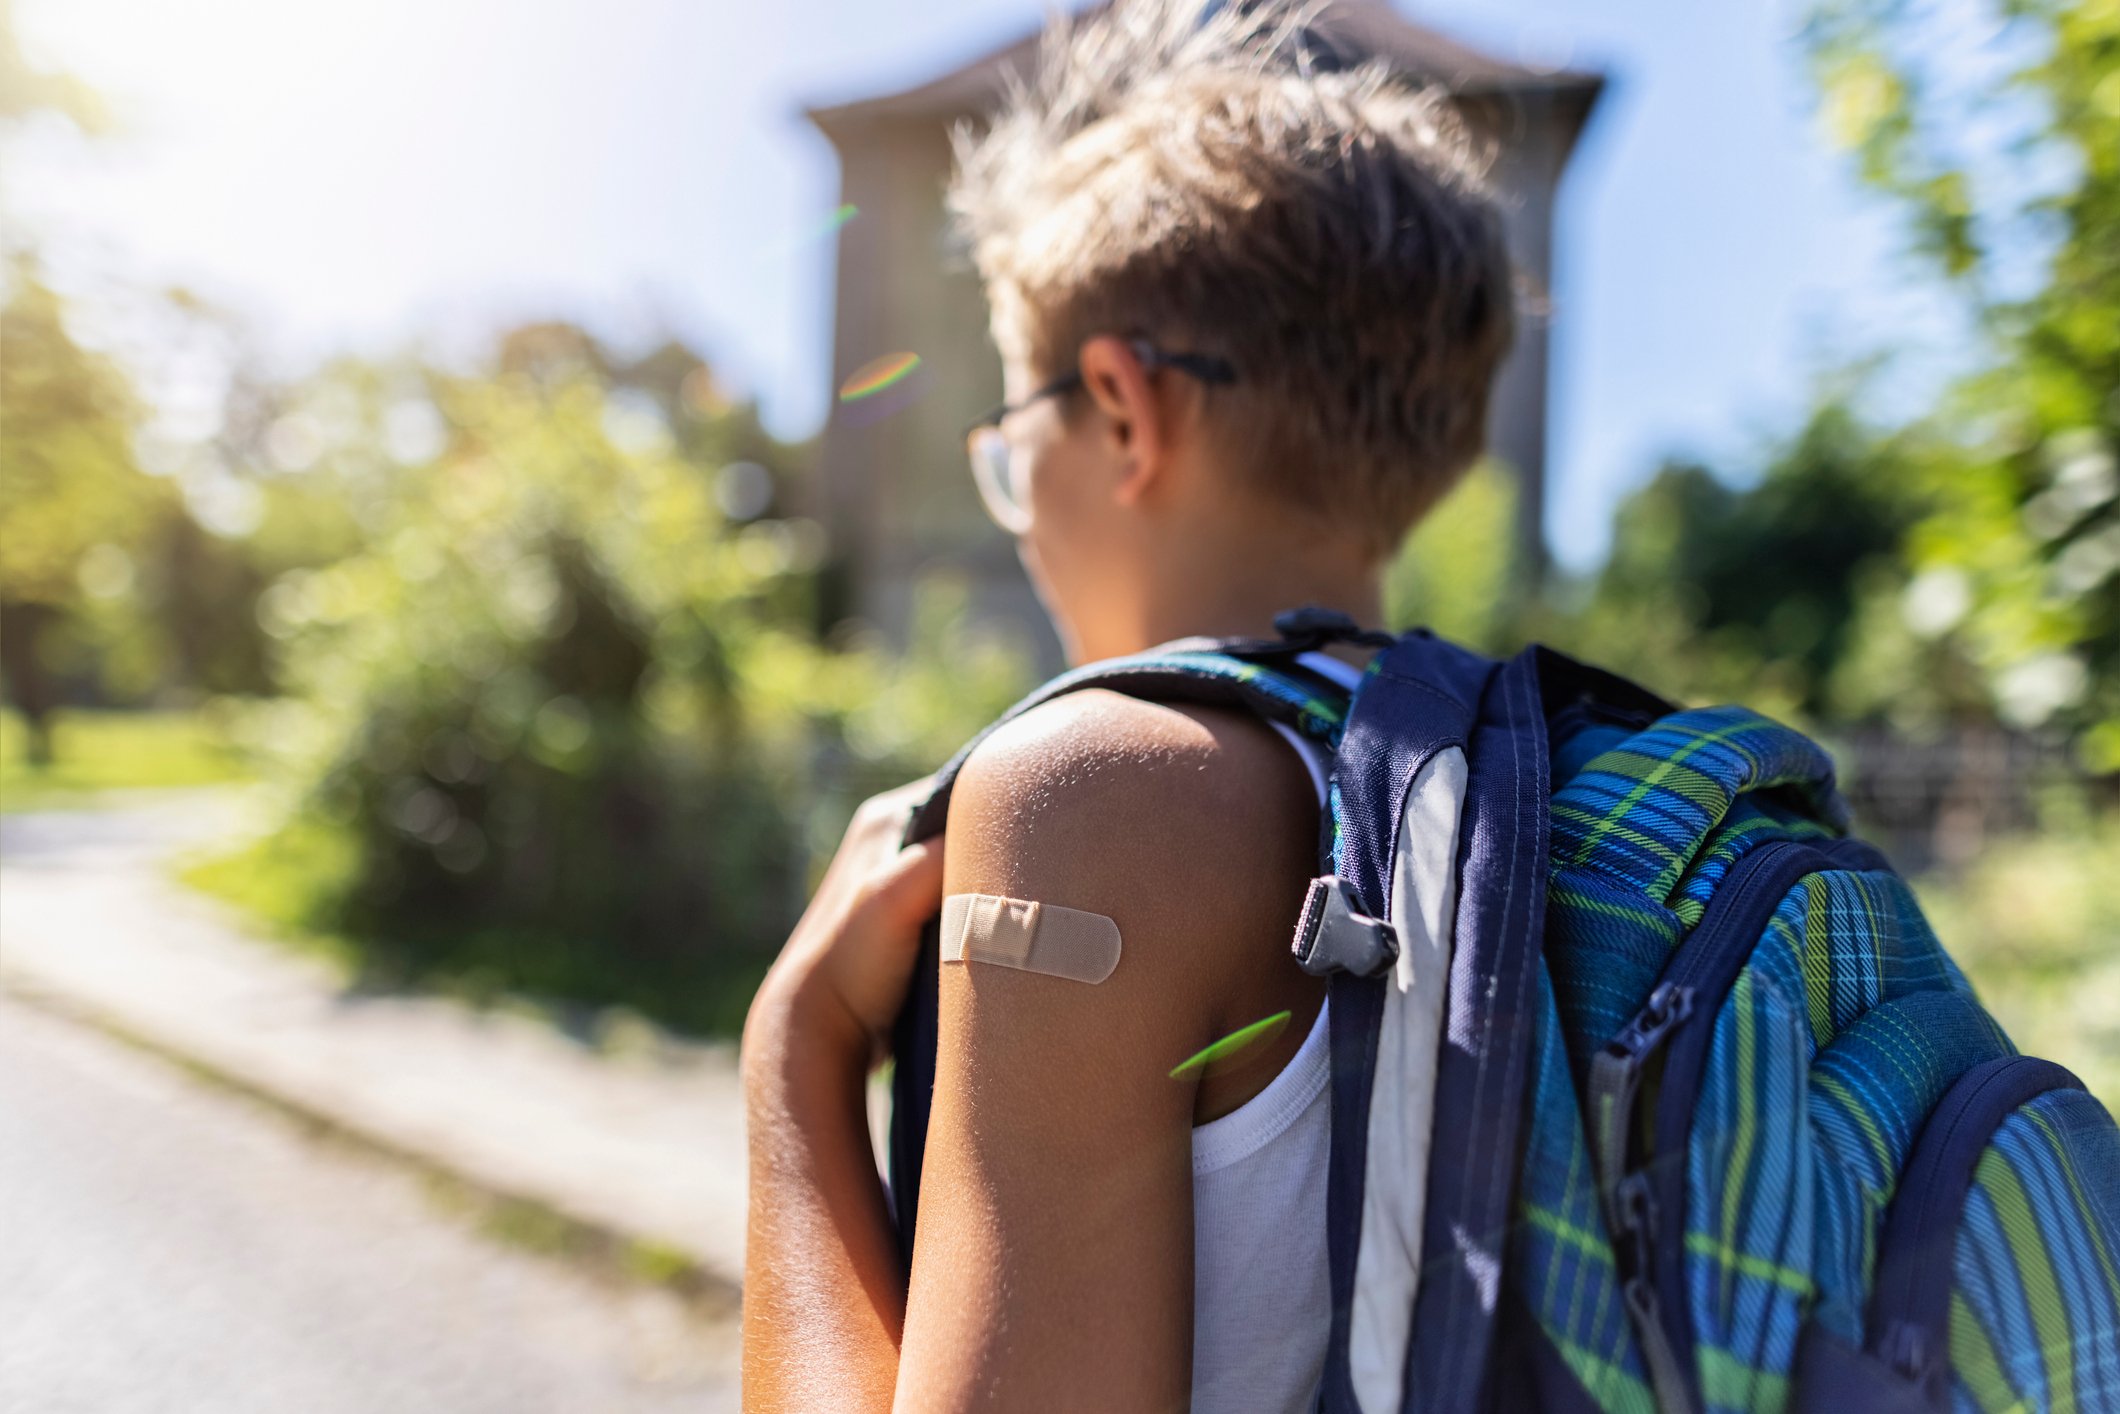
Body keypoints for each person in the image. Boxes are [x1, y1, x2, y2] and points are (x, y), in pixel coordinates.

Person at [739, 0, 1520, 1406]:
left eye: (1009, 445)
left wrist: (793, 1057)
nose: (1017, 507)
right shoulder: (1532, 794)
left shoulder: (1095, 795)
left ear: (1118, 409)